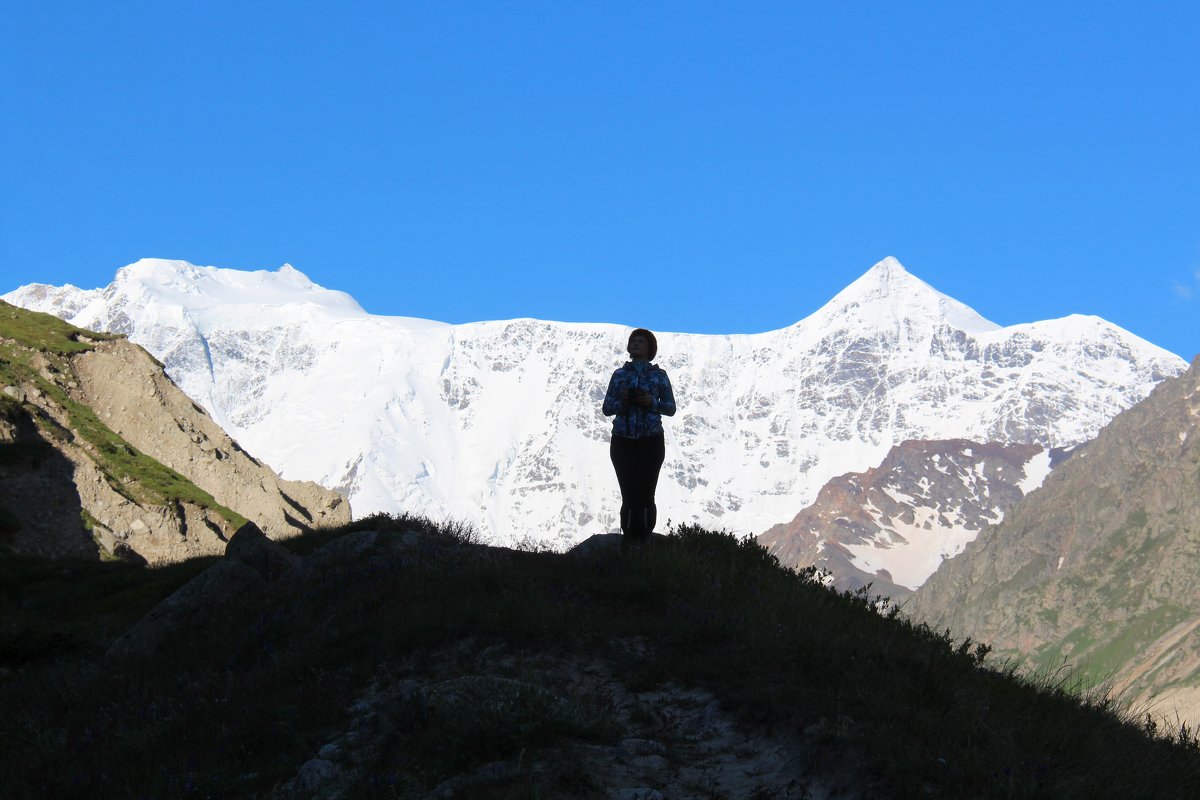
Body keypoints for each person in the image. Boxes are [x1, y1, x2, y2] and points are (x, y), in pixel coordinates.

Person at [602, 328, 677, 549]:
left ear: (650, 347)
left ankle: (644, 535)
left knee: (646, 490)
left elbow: (671, 408)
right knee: (628, 490)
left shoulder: (659, 375)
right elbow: (607, 407)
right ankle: (628, 536)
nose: (635, 344)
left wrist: (650, 402)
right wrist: (623, 403)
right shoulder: (619, 375)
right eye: (633, 340)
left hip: (650, 439)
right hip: (623, 439)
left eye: (641, 341)